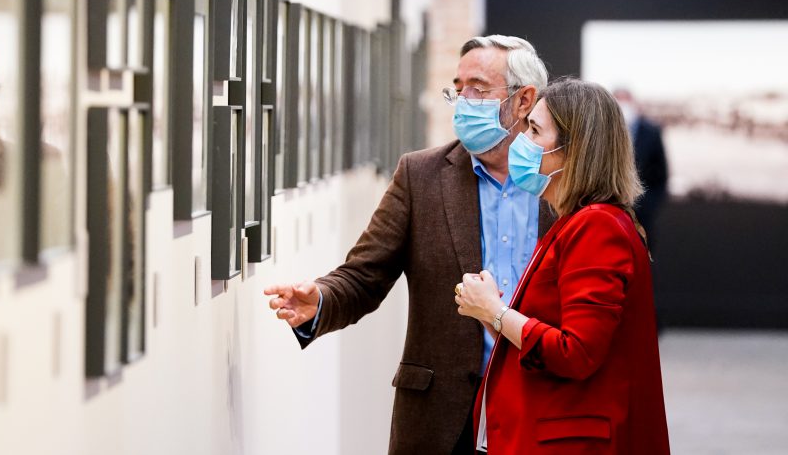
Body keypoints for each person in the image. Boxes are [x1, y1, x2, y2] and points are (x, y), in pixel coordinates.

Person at [264, 35, 553, 454]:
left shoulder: (562, 183)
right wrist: (321, 299)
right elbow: (366, 274)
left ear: (524, 100)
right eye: (459, 87)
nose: (463, 100)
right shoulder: (422, 175)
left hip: (539, 407)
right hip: (441, 418)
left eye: (479, 88)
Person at [456, 79, 669, 454]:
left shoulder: (597, 226)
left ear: (575, 151)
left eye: (535, 130)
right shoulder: (575, 222)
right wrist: (489, 312)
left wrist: (496, 311)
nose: (522, 140)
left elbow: (576, 351)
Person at [613, 88, 668, 244]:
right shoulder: (605, 132)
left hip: (642, 215)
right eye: (618, 101)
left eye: (626, 101)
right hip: (612, 212)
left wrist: (649, 205)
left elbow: (661, 175)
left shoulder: (651, 132)